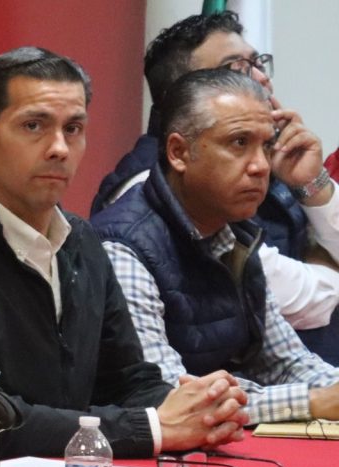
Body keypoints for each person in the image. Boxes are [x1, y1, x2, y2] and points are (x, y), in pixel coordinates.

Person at [0, 47, 248, 460]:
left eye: (73, 128)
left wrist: (199, 407)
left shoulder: (82, 240)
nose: (59, 148)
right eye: (34, 126)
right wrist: (153, 428)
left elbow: (126, 380)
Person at [92, 68, 339, 426]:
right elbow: (172, 398)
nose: (261, 166)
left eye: (266, 146)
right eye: (239, 143)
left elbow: (286, 362)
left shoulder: (234, 234)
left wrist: (331, 392)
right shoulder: (123, 246)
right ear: (179, 152)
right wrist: (313, 402)